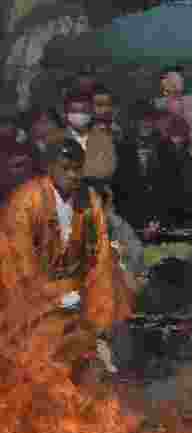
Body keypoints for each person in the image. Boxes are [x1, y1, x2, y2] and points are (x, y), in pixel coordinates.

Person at [0, 139, 134, 368]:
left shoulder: (89, 198)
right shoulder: (26, 201)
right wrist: (54, 299)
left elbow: (99, 254)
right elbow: (20, 265)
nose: (73, 175)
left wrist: (96, 301)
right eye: (65, 168)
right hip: (31, 294)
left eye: (77, 169)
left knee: (114, 271)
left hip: (75, 289)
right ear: (50, 167)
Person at [64, 92, 117, 182]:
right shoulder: (56, 138)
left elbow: (108, 170)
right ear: (66, 113)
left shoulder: (104, 139)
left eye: (84, 110)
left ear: (91, 112)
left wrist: (74, 173)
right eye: (74, 110)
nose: (79, 114)